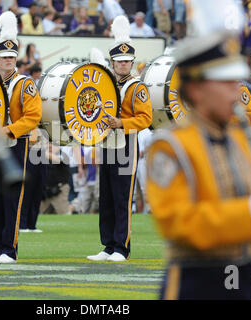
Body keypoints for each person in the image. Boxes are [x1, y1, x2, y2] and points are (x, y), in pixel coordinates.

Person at [146, 0, 251, 300]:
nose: (236, 90)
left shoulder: (249, 139)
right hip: (196, 282)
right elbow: (181, 224)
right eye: (225, 82)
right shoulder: (169, 146)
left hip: (247, 274)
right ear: (196, 88)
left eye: (236, 80)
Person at [0, 11, 42, 264]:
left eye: (11, 57)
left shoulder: (24, 84)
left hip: (17, 144)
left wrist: (9, 129)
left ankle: (9, 249)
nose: (7, 60)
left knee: (11, 197)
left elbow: (33, 117)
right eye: (3, 57)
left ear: (16, 59)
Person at [87, 15, 152, 262]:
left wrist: (121, 123)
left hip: (126, 144)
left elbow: (145, 119)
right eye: (119, 61)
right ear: (112, 62)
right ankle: (108, 245)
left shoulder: (137, 87)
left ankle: (122, 248)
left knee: (123, 197)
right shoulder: (106, 84)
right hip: (107, 144)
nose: (123, 65)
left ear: (132, 62)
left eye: (126, 61)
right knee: (107, 196)